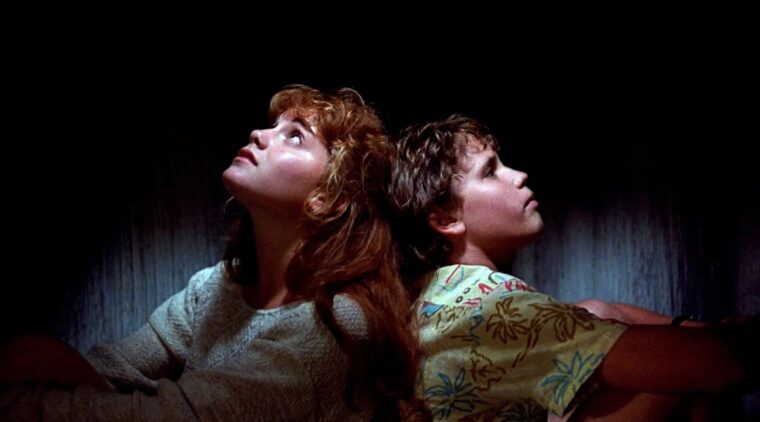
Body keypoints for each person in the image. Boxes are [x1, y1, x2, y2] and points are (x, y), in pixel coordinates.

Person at [0, 85, 421, 421]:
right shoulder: (218, 286)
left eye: (294, 136)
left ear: (328, 198)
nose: (258, 134)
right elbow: (109, 370)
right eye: (272, 125)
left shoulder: (335, 324)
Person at [387, 114, 758, 421]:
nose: (518, 175)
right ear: (446, 218)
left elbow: (595, 320)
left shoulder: (438, 294)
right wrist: (718, 344)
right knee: (686, 375)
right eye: (490, 172)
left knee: (595, 314)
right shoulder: (490, 307)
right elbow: (727, 365)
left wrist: (704, 330)